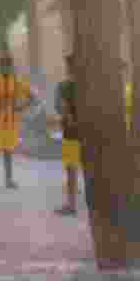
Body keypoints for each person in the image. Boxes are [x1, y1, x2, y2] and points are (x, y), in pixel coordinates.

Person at [0, 54, 36, 189]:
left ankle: (8, 180)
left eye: (8, 65)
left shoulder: (17, 82)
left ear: (11, 67)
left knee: (8, 152)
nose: (5, 68)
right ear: (0, 67)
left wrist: (21, 107)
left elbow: (32, 97)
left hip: (10, 123)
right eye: (3, 65)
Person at [54, 54, 82, 216]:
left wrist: (69, 119)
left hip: (70, 132)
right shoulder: (88, 86)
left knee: (71, 169)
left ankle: (71, 205)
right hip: (88, 132)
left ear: (68, 67)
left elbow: (60, 107)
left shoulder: (63, 86)